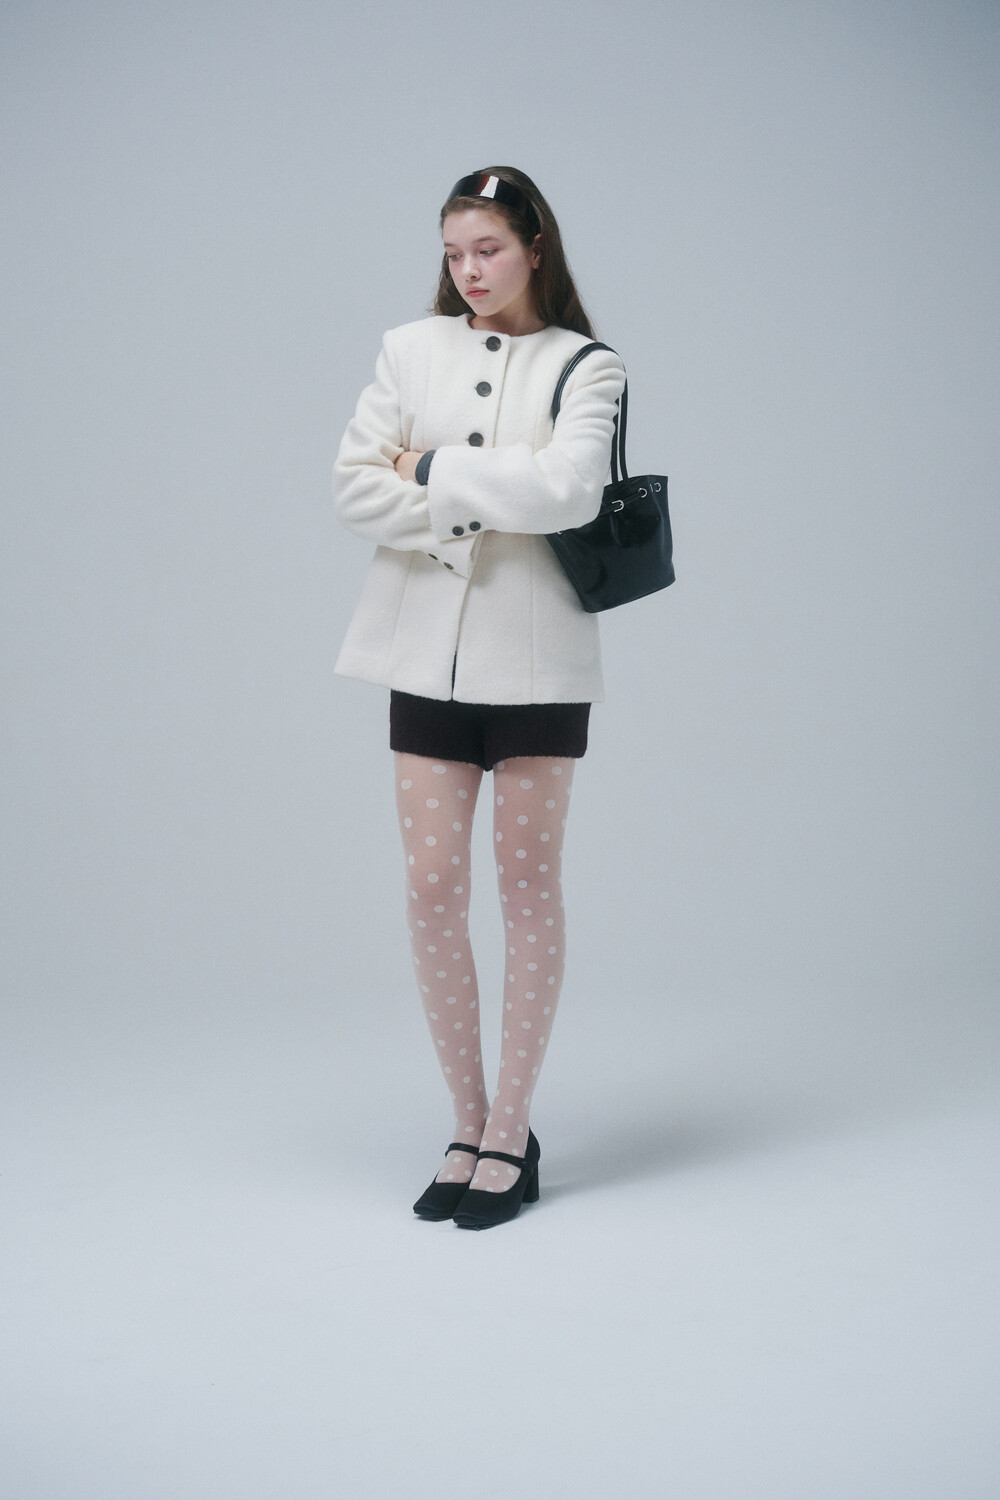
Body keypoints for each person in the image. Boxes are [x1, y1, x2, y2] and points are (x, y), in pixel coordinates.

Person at [331, 167, 626, 1229]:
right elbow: (352, 486)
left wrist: (429, 468)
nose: (469, 270)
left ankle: (512, 1129)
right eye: (454, 252)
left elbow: (571, 490)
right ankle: (465, 1120)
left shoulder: (586, 366)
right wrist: (489, 486)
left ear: (535, 247)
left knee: (526, 885)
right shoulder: (409, 349)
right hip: (423, 654)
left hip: (538, 662)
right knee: (429, 886)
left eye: (488, 249)